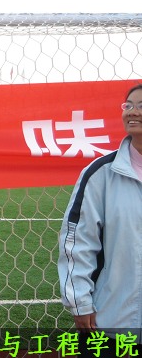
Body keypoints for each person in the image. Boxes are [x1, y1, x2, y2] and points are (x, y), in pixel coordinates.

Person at [58, 83, 142, 357]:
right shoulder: (100, 174)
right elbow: (77, 241)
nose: (133, 112)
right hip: (112, 320)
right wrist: (79, 302)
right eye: (128, 105)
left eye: (141, 106)